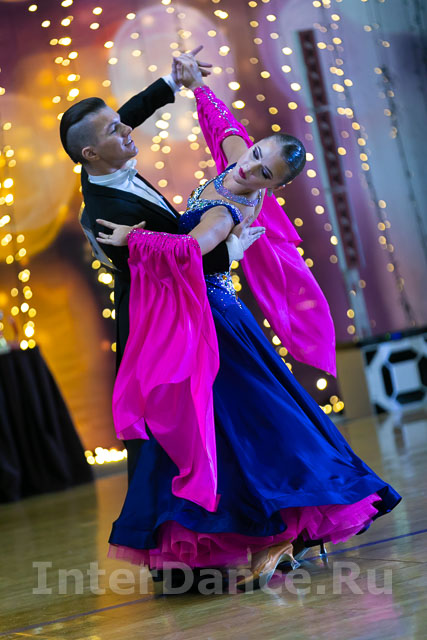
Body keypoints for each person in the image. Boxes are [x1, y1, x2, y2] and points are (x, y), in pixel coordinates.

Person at [96, 64, 402, 592]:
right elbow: (224, 129)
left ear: (274, 187)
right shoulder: (239, 161)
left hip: (215, 320)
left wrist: (134, 240)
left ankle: (279, 529)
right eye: (255, 154)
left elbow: (192, 248)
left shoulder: (228, 209)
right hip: (209, 312)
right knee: (235, 424)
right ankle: (274, 532)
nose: (248, 168)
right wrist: (198, 87)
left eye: (263, 173)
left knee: (246, 422)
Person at [59, 48, 262, 482]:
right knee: (181, 418)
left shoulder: (100, 158)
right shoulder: (108, 216)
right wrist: (231, 252)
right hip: (159, 319)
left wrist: (172, 82)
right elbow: (166, 265)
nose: (127, 129)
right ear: (91, 153)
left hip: (182, 299)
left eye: (120, 121)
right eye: (114, 130)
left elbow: (125, 116)